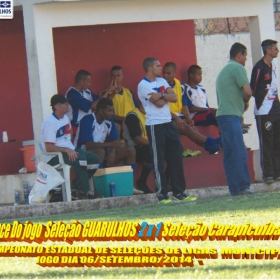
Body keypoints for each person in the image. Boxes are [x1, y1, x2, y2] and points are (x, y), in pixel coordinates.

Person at [137, 57, 196, 203]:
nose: (160, 68)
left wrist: (162, 94)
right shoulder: (143, 85)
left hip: (168, 123)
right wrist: (164, 97)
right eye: (158, 66)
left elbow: (174, 97)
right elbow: (158, 104)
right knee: (158, 161)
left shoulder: (162, 82)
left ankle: (179, 192)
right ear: (150, 68)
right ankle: (162, 194)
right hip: (155, 125)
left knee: (176, 158)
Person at [75, 98, 143, 195]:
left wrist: (112, 152)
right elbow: (89, 144)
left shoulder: (109, 120)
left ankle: (130, 186)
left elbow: (115, 140)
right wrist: (111, 145)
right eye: (109, 111)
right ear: (101, 110)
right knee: (100, 151)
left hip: (103, 153)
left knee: (130, 150)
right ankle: (98, 189)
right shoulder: (87, 120)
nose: (112, 113)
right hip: (83, 154)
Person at [40, 94, 100, 200]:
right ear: (57, 106)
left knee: (94, 159)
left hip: (69, 151)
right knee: (80, 158)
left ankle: (75, 188)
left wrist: (70, 148)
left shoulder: (66, 118)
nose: (67, 105)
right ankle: (84, 191)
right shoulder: (50, 123)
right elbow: (48, 147)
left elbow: (69, 134)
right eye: (65, 103)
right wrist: (66, 149)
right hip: (54, 156)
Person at [216, 42, 253, 196]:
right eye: (245, 56)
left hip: (224, 116)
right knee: (239, 152)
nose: (245, 60)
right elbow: (248, 92)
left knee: (230, 154)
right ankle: (243, 187)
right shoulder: (238, 68)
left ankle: (234, 189)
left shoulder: (224, 69)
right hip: (231, 116)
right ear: (239, 55)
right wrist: (245, 101)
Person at [162, 62, 220, 154]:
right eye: (163, 72)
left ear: (174, 73)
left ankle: (210, 146)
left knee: (191, 126)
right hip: (168, 119)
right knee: (188, 128)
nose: (165, 75)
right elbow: (161, 108)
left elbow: (184, 105)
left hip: (180, 117)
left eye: (168, 73)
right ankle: (211, 142)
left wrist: (189, 118)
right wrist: (177, 118)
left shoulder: (180, 86)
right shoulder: (160, 86)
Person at [250, 39, 280, 184]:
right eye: (275, 48)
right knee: (267, 142)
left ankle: (277, 172)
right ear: (268, 50)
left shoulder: (272, 66)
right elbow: (253, 89)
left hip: (276, 110)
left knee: (277, 141)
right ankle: (268, 174)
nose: (277, 51)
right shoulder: (259, 68)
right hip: (264, 112)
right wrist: (263, 102)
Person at [66, 69, 107, 135]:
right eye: (88, 82)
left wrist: (113, 92)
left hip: (88, 123)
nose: (89, 84)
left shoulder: (87, 91)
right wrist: (107, 92)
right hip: (76, 126)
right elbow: (94, 106)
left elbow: (101, 102)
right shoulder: (72, 94)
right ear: (81, 82)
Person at [123, 107, 154, 194]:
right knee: (151, 151)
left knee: (174, 149)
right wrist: (155, 144)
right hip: (134, 147)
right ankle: (142, 181)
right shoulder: (132, 116)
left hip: (148, 144)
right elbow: (137, 139)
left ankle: (168, 182)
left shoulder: (151, 113)